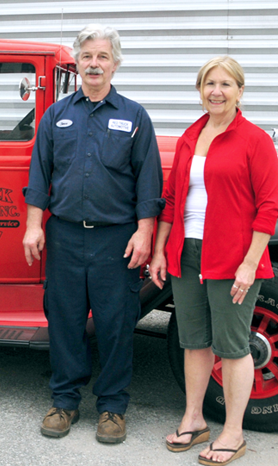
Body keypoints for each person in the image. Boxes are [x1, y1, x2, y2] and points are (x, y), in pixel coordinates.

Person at [22, 24, 164, 443]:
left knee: (116, 323)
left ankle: (113, 408)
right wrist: (34, 224)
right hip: (64, 234)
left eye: (103, 57)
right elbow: (39, 173)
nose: (94, 64)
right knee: (64, 320)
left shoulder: (134, 116)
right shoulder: (57, 115)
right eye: (87, 56)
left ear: (115, 64)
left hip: (116, 239)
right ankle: (64, 401)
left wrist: (144, 233)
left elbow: (149, 181)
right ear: (78, 62)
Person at [151, 57, 278, 465]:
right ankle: (194, 419)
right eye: (209, 83)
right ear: (200, 89)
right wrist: (159, 250)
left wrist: (249, 262)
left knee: (233, 346)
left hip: (233, 257)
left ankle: (234, 432)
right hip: (186, 253)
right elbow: (172, 200)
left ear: (240, 90)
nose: (216, 91)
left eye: (225, 84)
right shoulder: (192, 135)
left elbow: (269, 205)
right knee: (194, 341)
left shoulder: (255, 140)